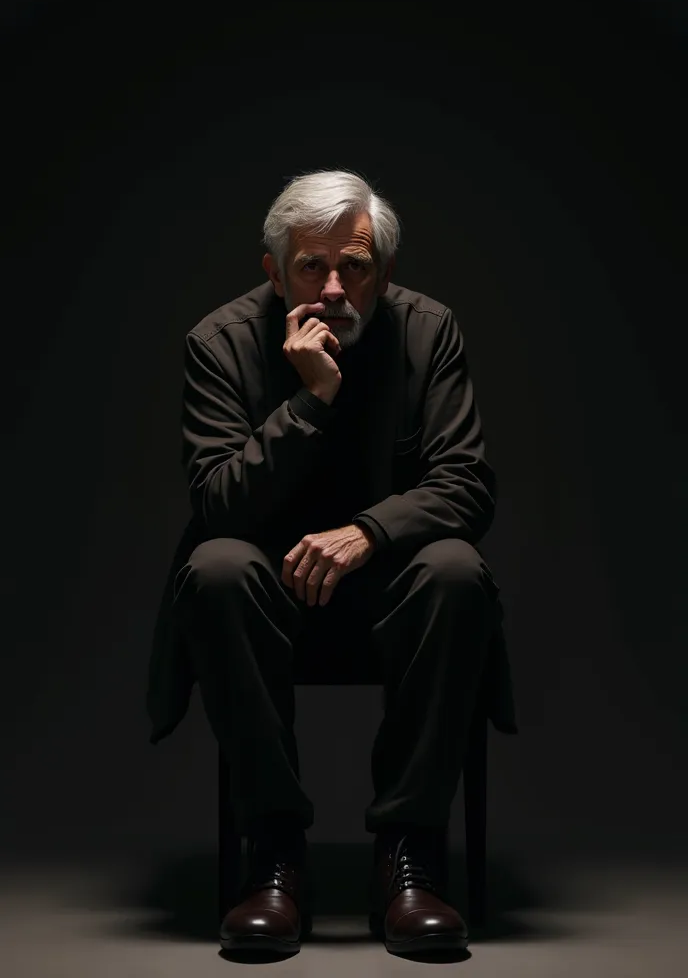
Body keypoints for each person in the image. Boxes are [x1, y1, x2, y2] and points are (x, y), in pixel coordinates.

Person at [146, 169, 518, 957]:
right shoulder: (220, 343)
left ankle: (409, 857)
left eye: (356, 266)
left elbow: (467, 483)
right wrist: (310, 402)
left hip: (397, 601)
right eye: (312, 266)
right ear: (274, 270)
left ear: (384, 272)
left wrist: (368, 533)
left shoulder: (427, 331)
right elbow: (217, 503)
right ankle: (275, 853)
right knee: (214, 567)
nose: (335, 286)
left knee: (455, 569)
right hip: (264, 604)